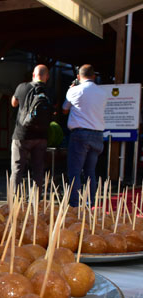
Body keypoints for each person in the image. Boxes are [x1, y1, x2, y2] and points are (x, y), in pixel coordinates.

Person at [62, 64, 108, 207]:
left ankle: (75, 204)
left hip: (80, 134)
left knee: (75, 171)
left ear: (78, 77)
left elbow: (64, 109)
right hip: (97, 134)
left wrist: (71, 89)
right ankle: (90, 202)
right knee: (90, 171)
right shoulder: (102, 93)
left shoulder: (74, 90)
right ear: (94, 76)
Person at [10, 64, 50, 189]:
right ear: (47, 77)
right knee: (38, 170)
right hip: (41, 136)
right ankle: (35, 199)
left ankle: (14, 199)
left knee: (17, 169)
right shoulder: (50, 91)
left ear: (33, 75)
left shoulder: (22, 87)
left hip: (22, 134)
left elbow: (14, 103)